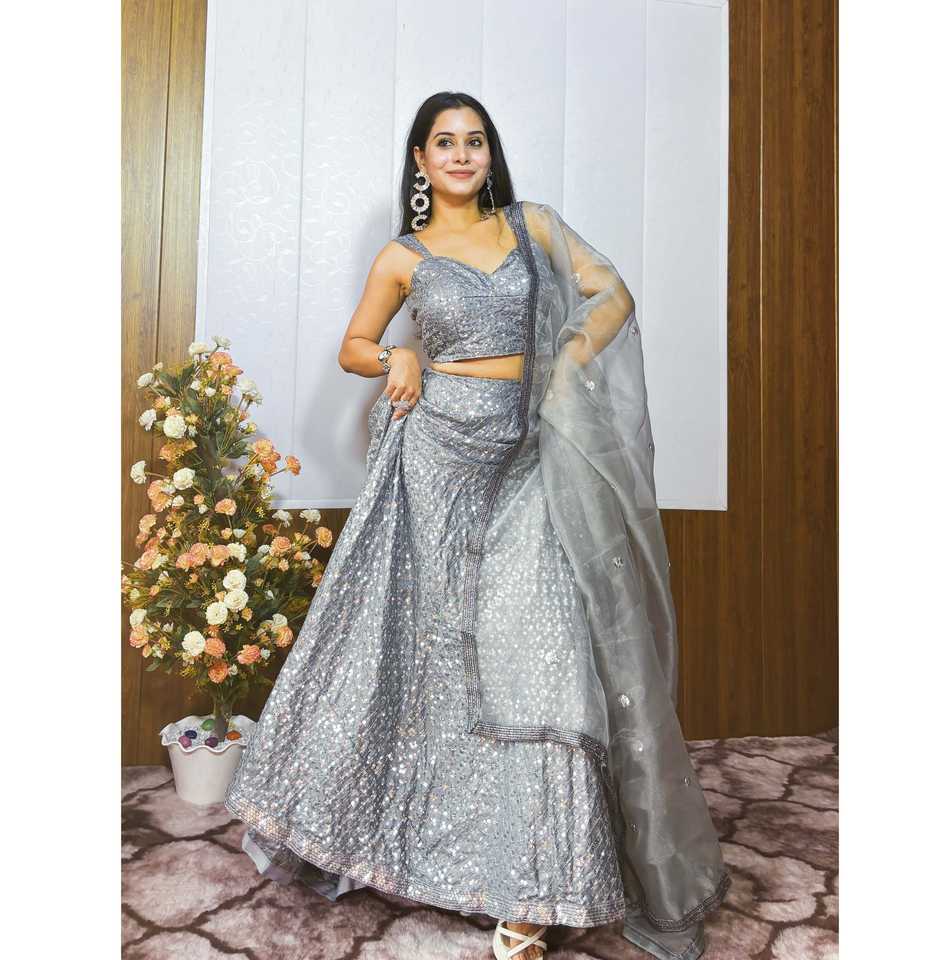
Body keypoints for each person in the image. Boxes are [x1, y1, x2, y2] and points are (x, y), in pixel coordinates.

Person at [224, 92, 730, 960]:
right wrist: (400, 353)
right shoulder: (405, 255)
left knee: (544, 655)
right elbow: (353, 346)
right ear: (421, 162)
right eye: (444, 142)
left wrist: (568, 359)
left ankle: (535, 884)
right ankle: (430, 850)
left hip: (532, 455)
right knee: (434, 659)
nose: (461, 154)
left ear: (489, 155)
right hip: (435, 460)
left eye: (476, 141)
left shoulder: (533, 227)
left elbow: (609, 291)